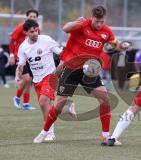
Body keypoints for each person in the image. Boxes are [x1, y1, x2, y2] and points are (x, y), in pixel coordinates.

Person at [33, 5, 131, 144]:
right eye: (97, 21)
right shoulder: (82, 24)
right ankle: (44, 132)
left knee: (105, 99)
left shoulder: (106, 31)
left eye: (102, 21)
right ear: (92, 17)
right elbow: (65, 28)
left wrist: (123, 46)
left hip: (90, 71)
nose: (99, 24)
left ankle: (106, 135)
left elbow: (115, 44)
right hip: (71, 68)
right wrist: (75, 23)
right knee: (59, 105)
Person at [15, 19, 63, 142]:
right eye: (32, 31)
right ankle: (65, 107)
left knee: (43, 101)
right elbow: (21, 65)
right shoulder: (23, 47)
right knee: (45, 107)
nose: (35, 33)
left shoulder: (46, 39)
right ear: (26, 32)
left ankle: (49, 133)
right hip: (37, 80)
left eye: (36, 30)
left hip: (50, 75)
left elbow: (61, 52)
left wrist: (65, 61)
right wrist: (18, 76)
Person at [9, 9, 40, 110]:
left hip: (31, 58)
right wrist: (11, 55)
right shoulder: (21, 27)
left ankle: (26, 104)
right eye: (30, 16)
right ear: (26, 17)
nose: (32, 18)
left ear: (36, 18)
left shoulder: (37, 30)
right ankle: (17, 97)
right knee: (26, 79)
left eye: (34, 17)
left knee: (29, 81)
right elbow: (12, 40)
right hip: (20, 57)